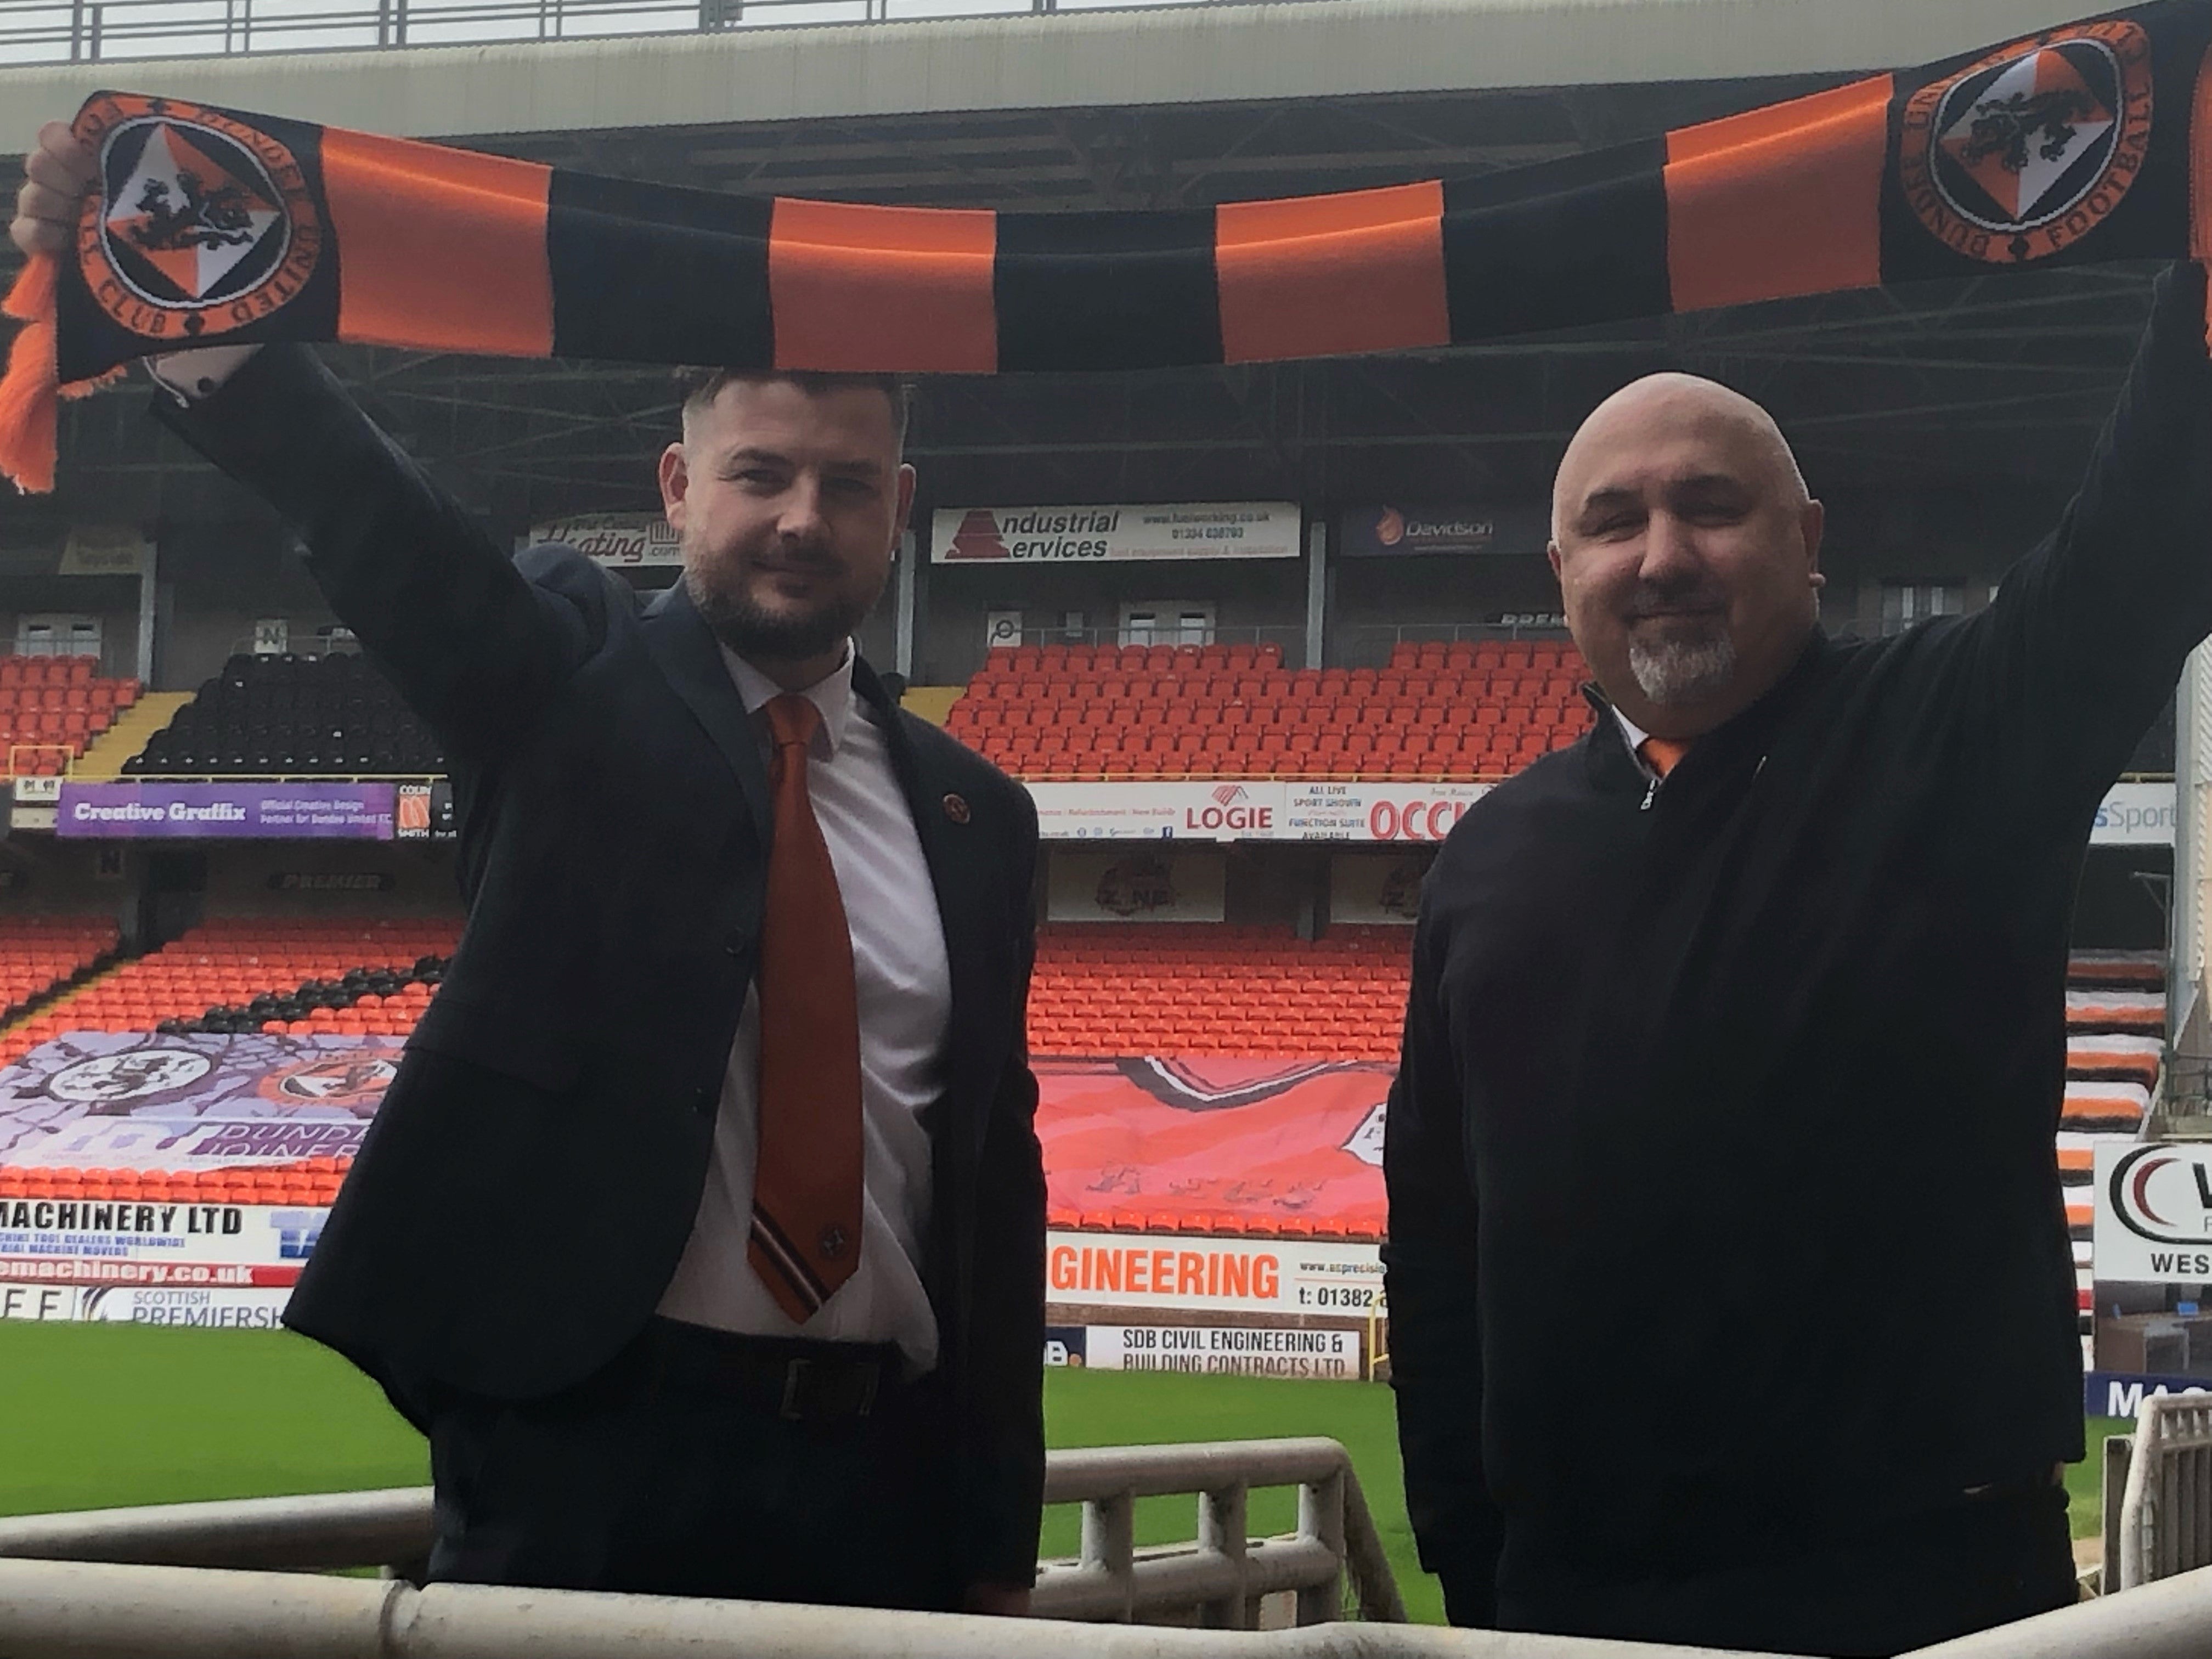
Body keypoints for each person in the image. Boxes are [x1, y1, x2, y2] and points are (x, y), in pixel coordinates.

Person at [13, 125, 1045, 1615]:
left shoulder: (976, 816)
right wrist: (176, 294)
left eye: (848, 484)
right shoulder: (569, 674)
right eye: (762, 475)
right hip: (588, 1457)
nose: (803, 520)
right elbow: (390, 532)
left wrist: (993, 1538)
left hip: (882, 1486)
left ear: (903, 503)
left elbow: (990, 1185)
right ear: (679, 485)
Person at [1384, 260, 2212, 1657]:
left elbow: (2153, 534)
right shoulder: (1484, 863)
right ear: (1559, 575)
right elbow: (1440, 1253)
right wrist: (1481, 1581)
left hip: (1923, 1587)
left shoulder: (1962, 730)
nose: (1660, 555)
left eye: (1711, 506)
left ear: (1809, 539)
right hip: (1572, 1606)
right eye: (1613, 522)